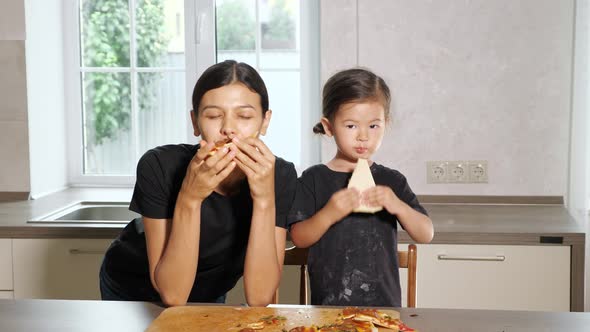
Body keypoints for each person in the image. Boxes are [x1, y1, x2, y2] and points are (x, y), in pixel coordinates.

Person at [99, 60, 296, 307]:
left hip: (209, 289)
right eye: (213, 115)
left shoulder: (281, 175)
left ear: (265, 121)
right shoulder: (158, 165)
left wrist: (265, 200)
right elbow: (172, 295)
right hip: (132, 287)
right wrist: (190, 198)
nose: (229, 129)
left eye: (244, 116)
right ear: (195, 122)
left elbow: (260, 298)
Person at [287, 68, 434, 307]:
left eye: (373, 126)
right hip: (328, 309)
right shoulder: (314, 178)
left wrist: (397, 205)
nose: (363, 136)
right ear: (328, 126)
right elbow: (300, 238)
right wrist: (329, 213)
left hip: (384, 309)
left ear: (386, 124)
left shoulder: (392, 180)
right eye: (351, 126)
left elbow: (425, 234)